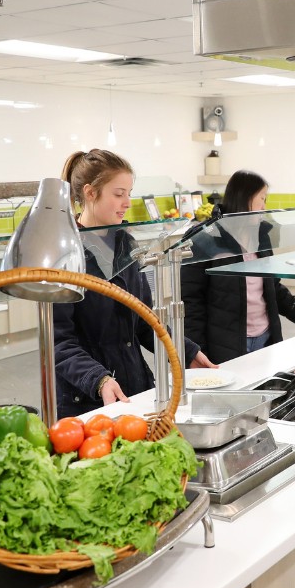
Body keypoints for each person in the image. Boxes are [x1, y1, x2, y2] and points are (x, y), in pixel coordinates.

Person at [53, 149, 216, 417]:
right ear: (90, 193)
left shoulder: (125, 244)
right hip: (86, 401)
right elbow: (59, 342)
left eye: (129, 193)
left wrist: (186, 352)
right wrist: (99, 379)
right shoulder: (64, 252)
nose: (127, 202)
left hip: (135, 389)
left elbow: (144, 320)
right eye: (119, 194)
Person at [182, 170, 295, 362]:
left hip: (266, 340)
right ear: (245, 198)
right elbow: (191, 302)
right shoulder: (206, 238)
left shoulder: (261, 236)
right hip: (226, 347)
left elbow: (274, 291)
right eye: (262, 198)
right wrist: (196, 353)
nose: (265, 206)